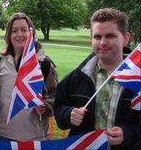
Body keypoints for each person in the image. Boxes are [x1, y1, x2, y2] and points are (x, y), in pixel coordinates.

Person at [53, 8, 141, 149]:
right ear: (91, 39)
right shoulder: (77, 77)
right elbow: (58, 108)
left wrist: (128, 134)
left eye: (110, 36)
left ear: (125, 38)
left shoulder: (138, 76)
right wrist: (68, 114)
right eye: (97, 37)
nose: (102, 43)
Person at [0, 12, 58, 141]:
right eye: (14, 31)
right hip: (2, 133)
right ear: (9, 35)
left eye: (24, 30)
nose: (19, 34)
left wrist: (46, 106)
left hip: (34, 136)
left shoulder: (43, 63)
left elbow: (56, 96)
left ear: (31, 33)